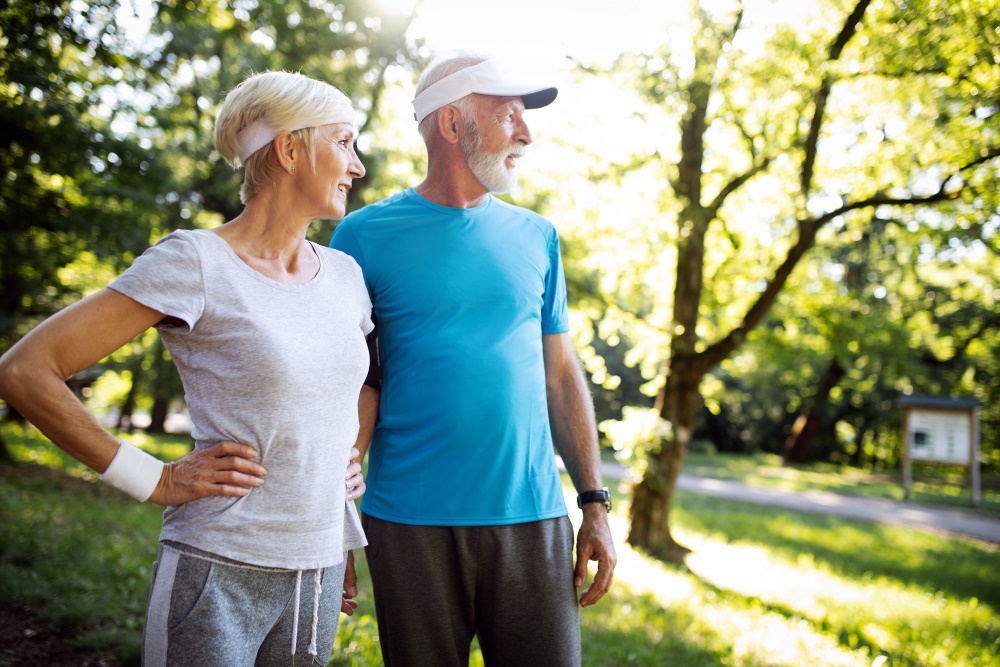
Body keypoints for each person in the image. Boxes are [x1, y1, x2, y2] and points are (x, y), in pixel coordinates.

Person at [0, 70, 374, 666]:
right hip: (216, 569)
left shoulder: (346, 277)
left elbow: (334, 398)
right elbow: (24, 371)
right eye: (345, 141)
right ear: (289, 148)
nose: (357, 166)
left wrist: (342, 472)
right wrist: (152, 478)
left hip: (319, 571)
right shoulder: (196, 261)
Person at [331, 52, 617, 666]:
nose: (527, 132)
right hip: (408, 522)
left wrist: (593, 504)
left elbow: (561, 374)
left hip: (532, 517)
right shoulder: (360, 236)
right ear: (453, 125)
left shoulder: (538, 236)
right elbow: (356, 384)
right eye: (508, 115)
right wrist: (338, 519)